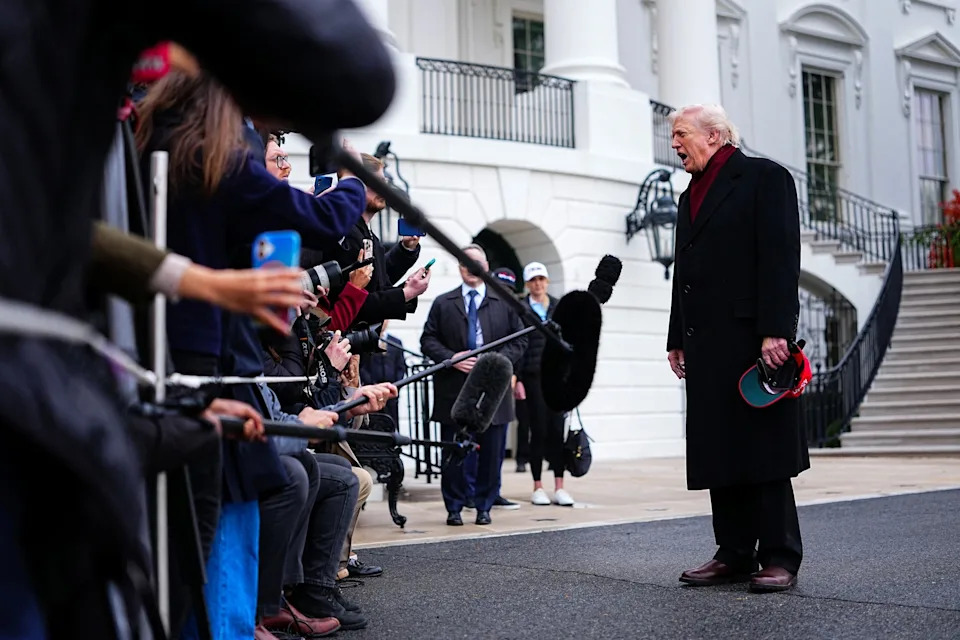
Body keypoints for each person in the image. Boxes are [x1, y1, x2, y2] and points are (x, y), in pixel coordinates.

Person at [665, 103, 806, 593]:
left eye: (681, 134)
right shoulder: (689, 197)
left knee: (763, 449)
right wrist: (675, 337)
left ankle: (781, 556)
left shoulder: (765, 178)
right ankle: (734, 552)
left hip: (752, 341)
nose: (675, 144)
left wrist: (776, 330)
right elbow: (683, 274)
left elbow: (781, 256)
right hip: (705, 345)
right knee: (719, 448)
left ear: (716, 135)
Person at [420, 244, 528, 526]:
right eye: (465, 261)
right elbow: (427, 340)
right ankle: (454, 507)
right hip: (454, 391)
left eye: (475, 261)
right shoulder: (444, 303)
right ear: (459, 267)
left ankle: (484, 506)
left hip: (493, 392)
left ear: (486, 267)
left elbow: (520, 340)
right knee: (454, 451)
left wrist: (494, 364)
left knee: (492, 453)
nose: (470, 266)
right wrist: (450, 358)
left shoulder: (505, 302)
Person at [516, 262, 574, 507]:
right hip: (531, 377)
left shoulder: (560, 306)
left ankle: (560, 486)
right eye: (533, 280)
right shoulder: (521, 308)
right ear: (527, 284)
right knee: (537, 430)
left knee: (556, 430)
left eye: (541, 279)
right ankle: (538, 486)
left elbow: (570, 343)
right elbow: (518, 345)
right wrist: (516, 378)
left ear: (547, 282)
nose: (537, 284)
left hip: (557, 377)